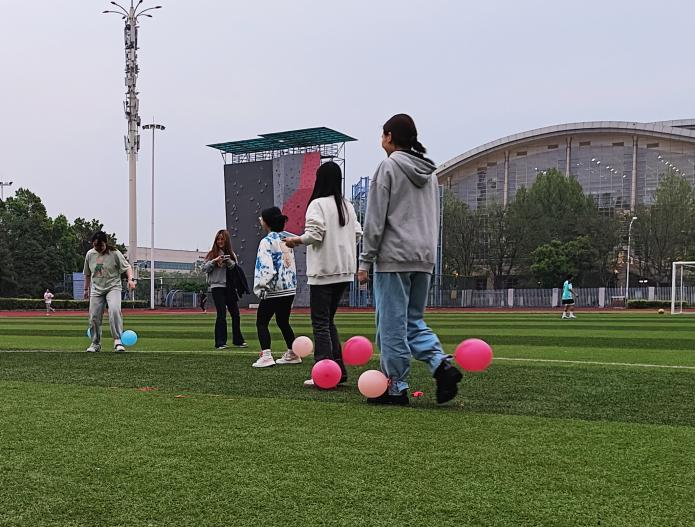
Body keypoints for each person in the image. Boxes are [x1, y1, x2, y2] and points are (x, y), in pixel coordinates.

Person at [357, 114, 463, 405]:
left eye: (383, 135)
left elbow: (375, 218)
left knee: (391, 325)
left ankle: (395, 387)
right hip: (423, 256)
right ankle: (440, 365)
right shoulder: (430, 173)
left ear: (390, 136)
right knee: (413, 320)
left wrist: (365, 261)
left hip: (394, 256)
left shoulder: (388, 167)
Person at [284, 161, 363, 387]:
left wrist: (295, 240)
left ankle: (325, 372)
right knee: (327, 321)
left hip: (323, 272)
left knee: (320, 323)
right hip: (344, 271)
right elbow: (357, 233)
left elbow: (315, 234)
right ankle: (338, 370)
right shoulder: (347, 205)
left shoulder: (317, 204)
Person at [252, 207, 298, 368]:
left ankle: (266, 355)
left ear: (266, 222)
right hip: (289, 288)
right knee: (283, 321)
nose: (260, 220)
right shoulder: (287, 239)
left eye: (261, 218)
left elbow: (266, 267)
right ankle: (293, 352)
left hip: (274, 289)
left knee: (261, 322)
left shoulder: (266, 241)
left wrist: (261, 286)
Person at [83, 231, 136, 352]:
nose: (98, 248)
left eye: (101, 245)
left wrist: (130, 279)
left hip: (113, 287)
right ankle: (95, 343)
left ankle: (117, 340)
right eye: (95, 245)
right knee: (94, 316)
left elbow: (127, 267)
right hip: (96, 289)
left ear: (105, 243)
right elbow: (87, 273)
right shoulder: (90, 254)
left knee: (114, 310)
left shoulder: (115, 253)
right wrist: (86, 289)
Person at [202, 230, 247, 350]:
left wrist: (228, 262)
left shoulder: (231, 254)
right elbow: (204, 268)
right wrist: (214, 261)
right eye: (218, 239)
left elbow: (235, 269)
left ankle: (238, 340)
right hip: (217, 287)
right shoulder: (211, 254)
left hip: (230, 287)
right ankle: (220, 342)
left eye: (222, 239)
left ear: (226, 240)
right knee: (221, 314)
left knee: (236, 314)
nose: (220, 241)